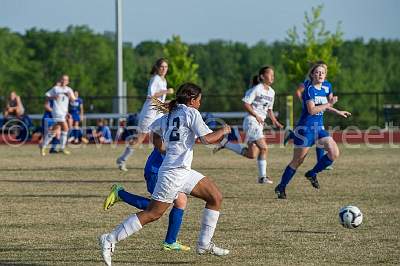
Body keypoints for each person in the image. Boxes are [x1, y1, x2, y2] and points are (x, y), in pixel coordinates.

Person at [99, 83, 231, 266]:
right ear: (192, 100)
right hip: (172, 174)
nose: (200, 104)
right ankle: (110, 238)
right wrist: (223, 131)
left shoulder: (170, 114)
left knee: (215, 197)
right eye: (199, 100)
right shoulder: (191, 113)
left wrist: (162, 149)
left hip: (182, 171)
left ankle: (204, 244)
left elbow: (154, 132)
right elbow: (206, 139)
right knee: (153, 214)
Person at [274, 64, 351, 199]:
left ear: (325, 75)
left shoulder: (324, 89)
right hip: (305, 130)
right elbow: (312, 110)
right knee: (297, 161)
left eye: (322, 73)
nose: (320, 74)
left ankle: (312, 173)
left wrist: (338, 111)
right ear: (312, 75)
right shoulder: (308, 89)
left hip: (319, 129)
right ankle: (281, 187)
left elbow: (324, 107)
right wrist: (329, 103)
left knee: (334, 153)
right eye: (317, 72)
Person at [103, 147, 190, 251]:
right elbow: (161, 142)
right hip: (158, 171)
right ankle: (120, 194)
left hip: (163, 170)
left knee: (180, 201)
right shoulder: (169, 132)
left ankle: (170, 242)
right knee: (155, 209)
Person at [214, 66, 283, 184]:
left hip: (258, 124)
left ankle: (226, 143)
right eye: (270, 74)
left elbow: (269, 110)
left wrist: (275, 121)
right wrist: (256, 115)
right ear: (262, 76)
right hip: (251, 122)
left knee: (252, 154)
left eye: (273, 74)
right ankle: (262, 177)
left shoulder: (272, 92)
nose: (273, 77)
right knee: (264, 148)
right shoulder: (257, 89)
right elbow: (246, 104)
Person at [116, 58, 174, 171]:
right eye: (162, 66)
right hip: (149, 113)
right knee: (140, 139)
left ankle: (163, 163)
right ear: (157, 68)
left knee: (160, 137)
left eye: (166, 67)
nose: (164, 69)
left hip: (157, 113)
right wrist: (166, 92)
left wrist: (168, 103)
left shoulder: (163, 80)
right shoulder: (155, 79)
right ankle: (122, 159)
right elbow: (151, 96)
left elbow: (159, 101)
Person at [284, 61, 334, 170]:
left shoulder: (328, 85)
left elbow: (329, 100)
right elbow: (299, 91)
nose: (321, 73)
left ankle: (292, 135)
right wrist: (304, 102)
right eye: (319, 71)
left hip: (319, 114)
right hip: (310, 112)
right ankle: (321, 162)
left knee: (320, 137)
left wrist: (333, 107)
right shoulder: (308, 83)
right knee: (312, 138)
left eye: (324, 71)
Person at [40, 75, 76, 156]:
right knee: (65, 127)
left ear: (68, 82)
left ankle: (44, 146)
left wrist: (70, 97)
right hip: (56, 111)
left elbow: (73, 101)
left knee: (54, 130)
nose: (64, 81)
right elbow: (47, 96)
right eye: (63, 79)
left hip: (63, 112)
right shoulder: (56, 88)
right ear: (60, 80)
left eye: (66, 80)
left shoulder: (69, 90)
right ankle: (62, 148)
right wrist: (53, 97)